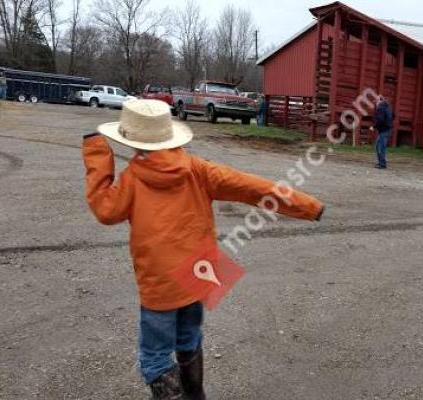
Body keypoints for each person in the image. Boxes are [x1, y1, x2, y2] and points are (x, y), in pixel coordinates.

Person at [82, 99, 324, 400]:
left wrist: (96, 153)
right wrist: (308, 206)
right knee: (189, 338)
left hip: (159, 284)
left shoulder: (132, 179)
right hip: (200, 271)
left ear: (132, 141)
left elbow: (106, 211)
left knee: (156, 357)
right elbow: (254, 187)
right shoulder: (198, 170)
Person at [372, 95, 394, 169]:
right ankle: (381, 163)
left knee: (380, 147)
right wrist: (389, 123)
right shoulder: (388, 107)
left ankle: (382, 164)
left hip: (384, 130)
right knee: (379, 146)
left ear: (379, 101)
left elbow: (380, 120)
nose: (375, 104)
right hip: (387, 129)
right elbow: (393, 115)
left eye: (376, 102)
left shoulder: (381, 107)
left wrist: (374, 126)